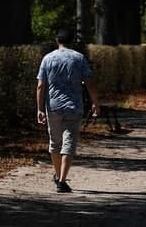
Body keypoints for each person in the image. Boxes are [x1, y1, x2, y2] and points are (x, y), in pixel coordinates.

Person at [36, 28, 99, 193]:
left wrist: (39, 108)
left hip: (53, 106)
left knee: (55, 143)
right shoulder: (78, 58)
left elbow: (41, 85)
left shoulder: (47, 59)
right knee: (69, 142)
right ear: (72, 41)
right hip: (74, 106)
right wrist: (95, 103)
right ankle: (62, 180)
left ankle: (58, 177)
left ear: (57, 40)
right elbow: (90, 82)